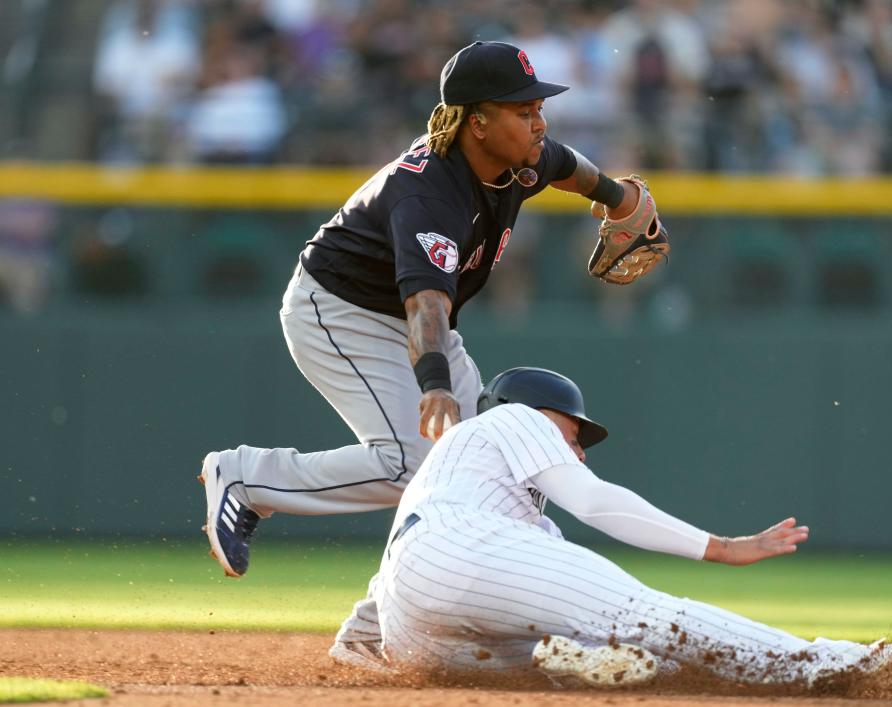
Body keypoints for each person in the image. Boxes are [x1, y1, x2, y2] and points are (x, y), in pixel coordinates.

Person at [199, 41, 660, 662]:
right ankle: (250, 477)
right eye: (523, 110)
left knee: (496, 481)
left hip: (410, 320)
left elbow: (565, 165)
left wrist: (616, 196)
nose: (538, 120)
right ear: (476, 120)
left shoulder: (518, 158)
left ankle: (371, 629)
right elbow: (427, 310)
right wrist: (436, 385)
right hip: (340, 312)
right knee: (413, 463)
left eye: (537, 106)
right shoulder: (429, 194)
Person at [372, 366, 892, 693]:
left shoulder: (477, 497)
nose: (577, 451)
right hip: (458, 556)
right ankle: (830, 664)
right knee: (646, 615)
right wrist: (719, 547)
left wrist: (359, 645)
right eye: (572, 435)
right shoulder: (510, 416)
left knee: (651, 662)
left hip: (415, 629)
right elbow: (593, 501)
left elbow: (387, 593)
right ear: (534, 414)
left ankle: (571, 660)